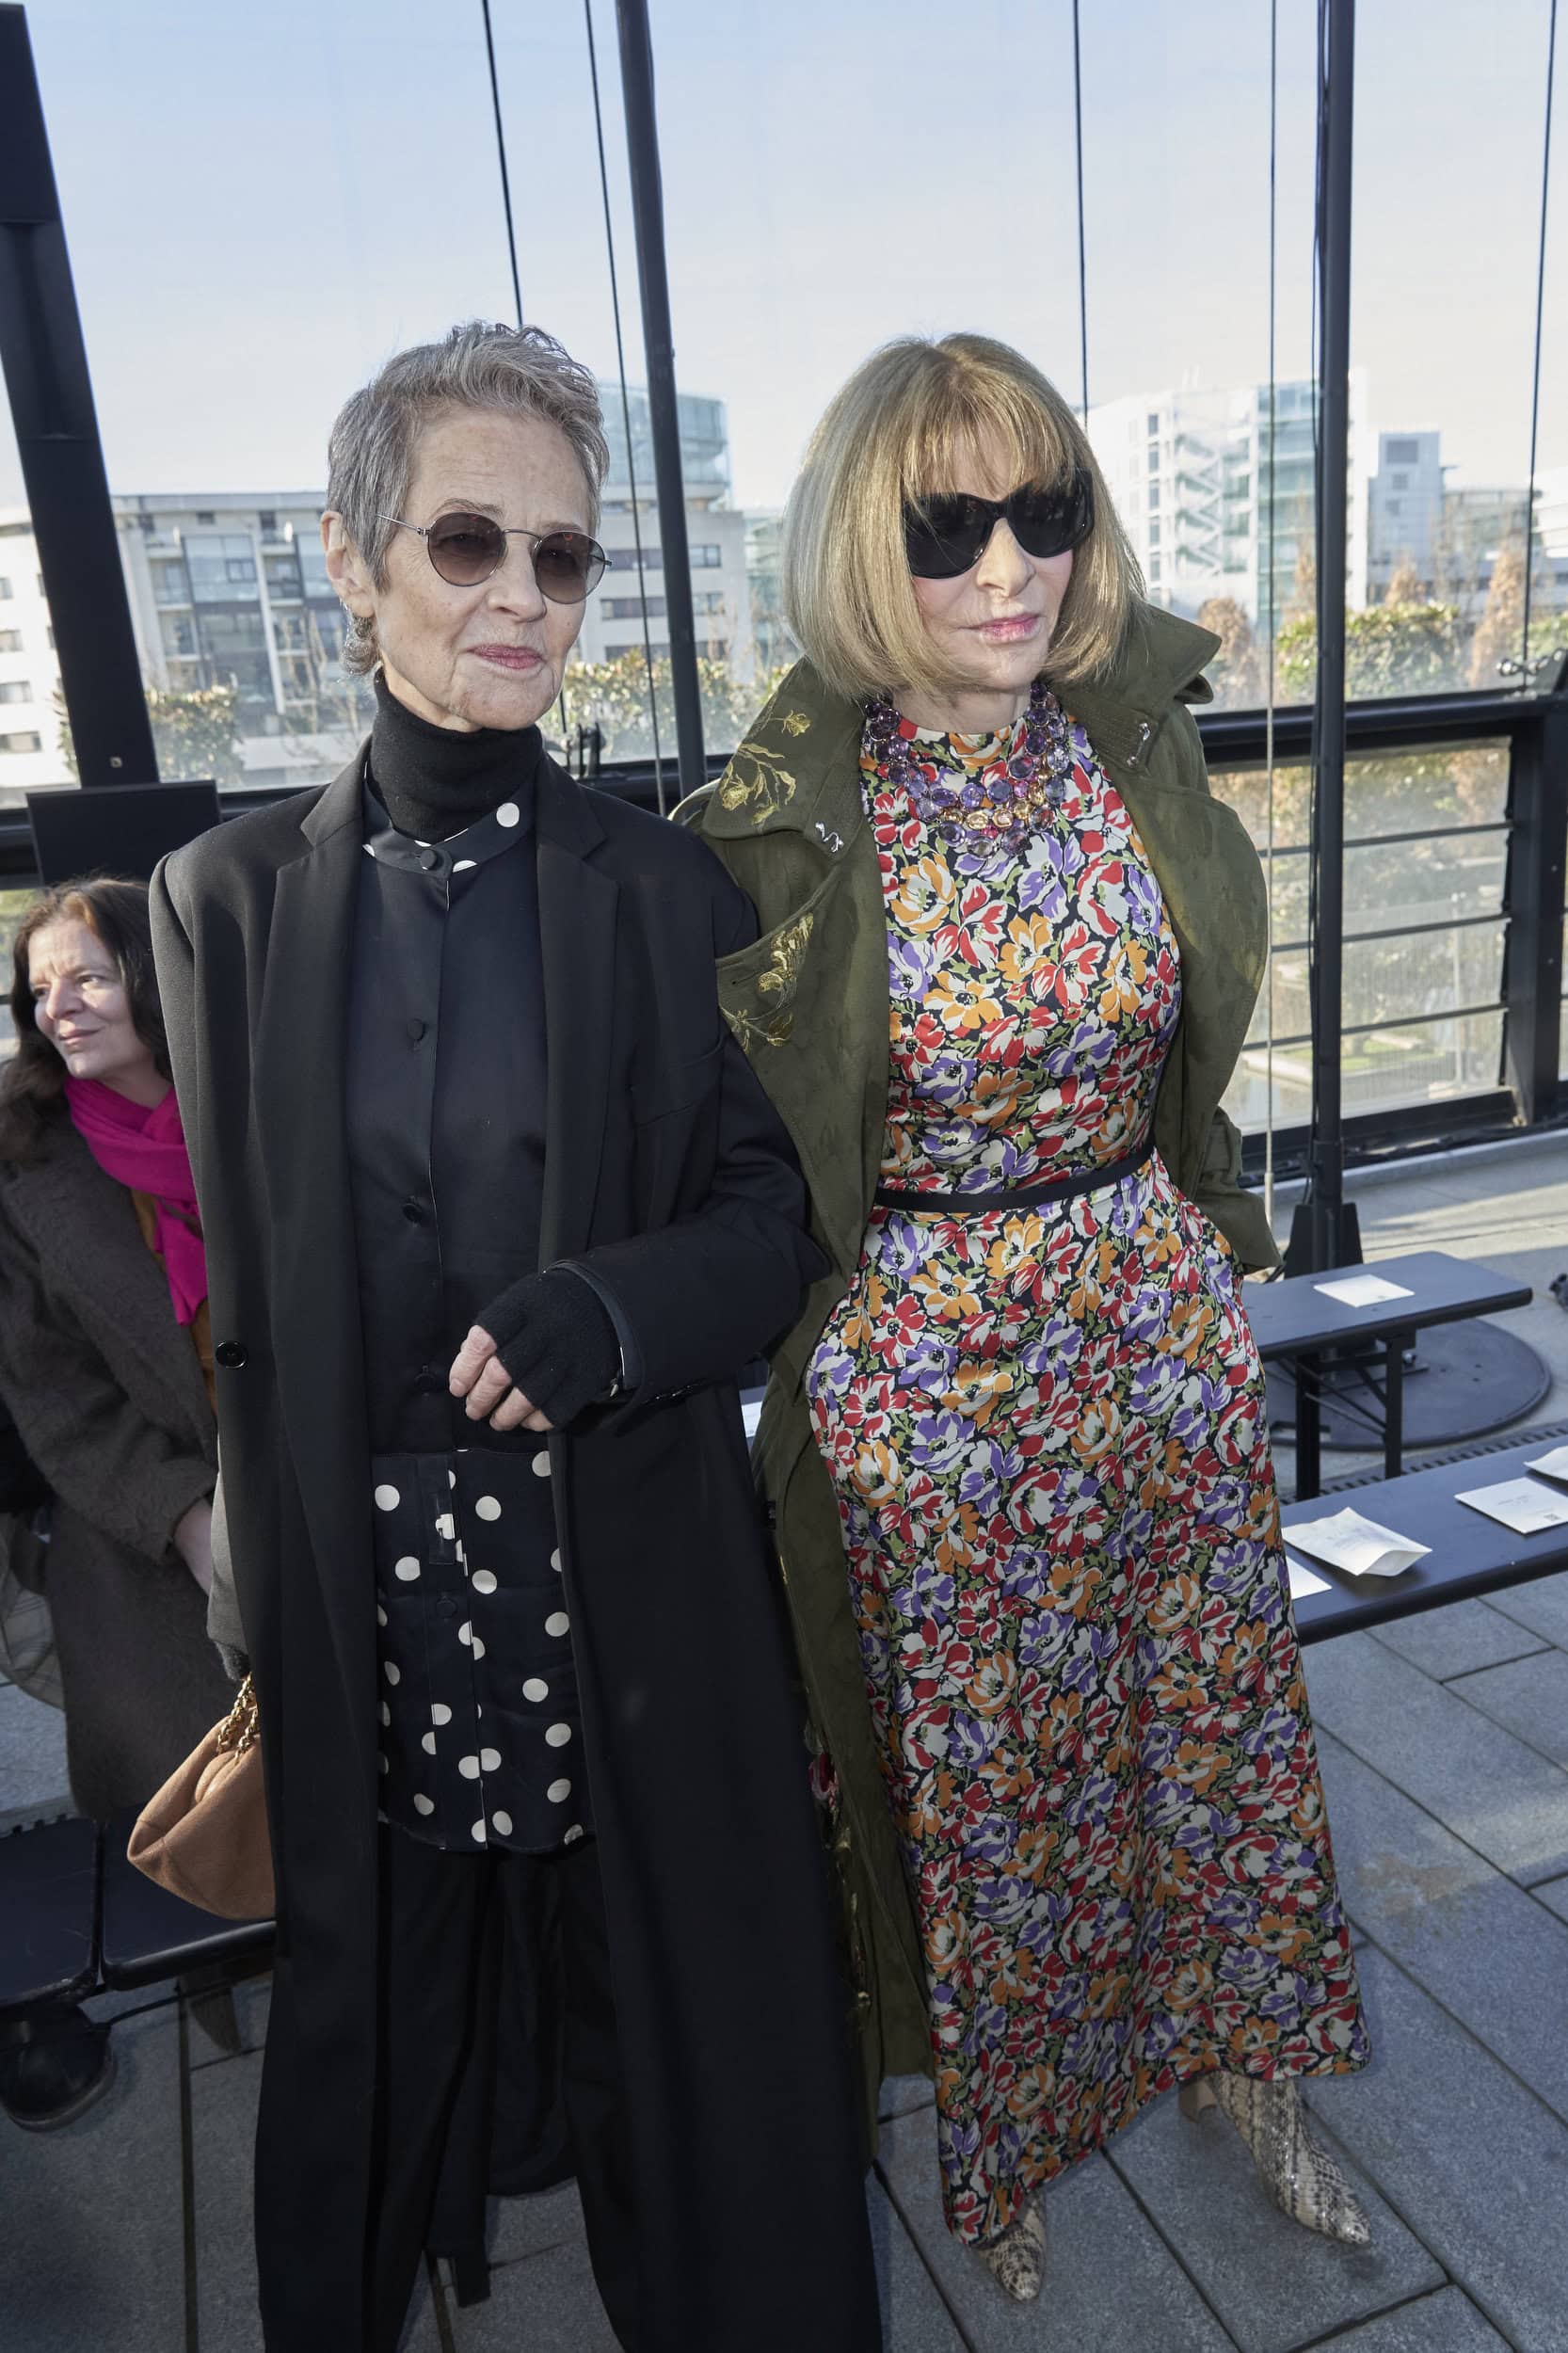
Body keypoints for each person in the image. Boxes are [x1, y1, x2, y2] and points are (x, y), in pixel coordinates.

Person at [150, 320, 879, 2353]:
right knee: (384, 2008)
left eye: (562, 556)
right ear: (350, 557)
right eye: (468, 541)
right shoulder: (218, 901)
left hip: (615, 1553)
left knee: (672, 2013)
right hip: (364, 1588)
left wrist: (611, 1309)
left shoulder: (664, 889)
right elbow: (252, 1297)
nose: (523, 597)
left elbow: (777, 1219)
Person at [701, 332, 1371, 2302]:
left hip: (1142, 1304)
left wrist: (1197, 1241)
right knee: (992, 1775)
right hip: (926, 1354)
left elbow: (1190, 1036)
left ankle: (1245, 2059)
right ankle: (1005, 2137)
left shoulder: (1125, 739)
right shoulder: (786, 817)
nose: (1007, 565)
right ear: (861, 540)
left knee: (1212, 1724)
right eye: (945, 525)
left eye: (1042, 509)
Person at [0, 879, 230, 2126]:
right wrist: (185, 1515)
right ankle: (231, 1947)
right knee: (194, 1782)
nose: (61, 1006)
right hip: (139, 1511)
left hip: (321, 1474)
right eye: (40, 990)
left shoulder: (262, 1100)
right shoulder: (23, 1160)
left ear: (158, 974)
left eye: (86, 976)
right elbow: (56, 1399)